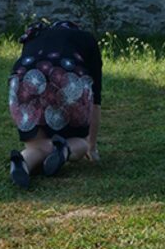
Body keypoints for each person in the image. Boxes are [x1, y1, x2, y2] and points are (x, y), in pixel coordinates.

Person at [7, 19, 102, 188]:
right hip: (67, 75)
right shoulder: (86, 38)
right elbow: (95, 100)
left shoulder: (34, 35)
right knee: (79, 142)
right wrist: (91, 147)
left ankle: (23, 162)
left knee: (35, 145)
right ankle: (63, 149)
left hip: (24, 80)